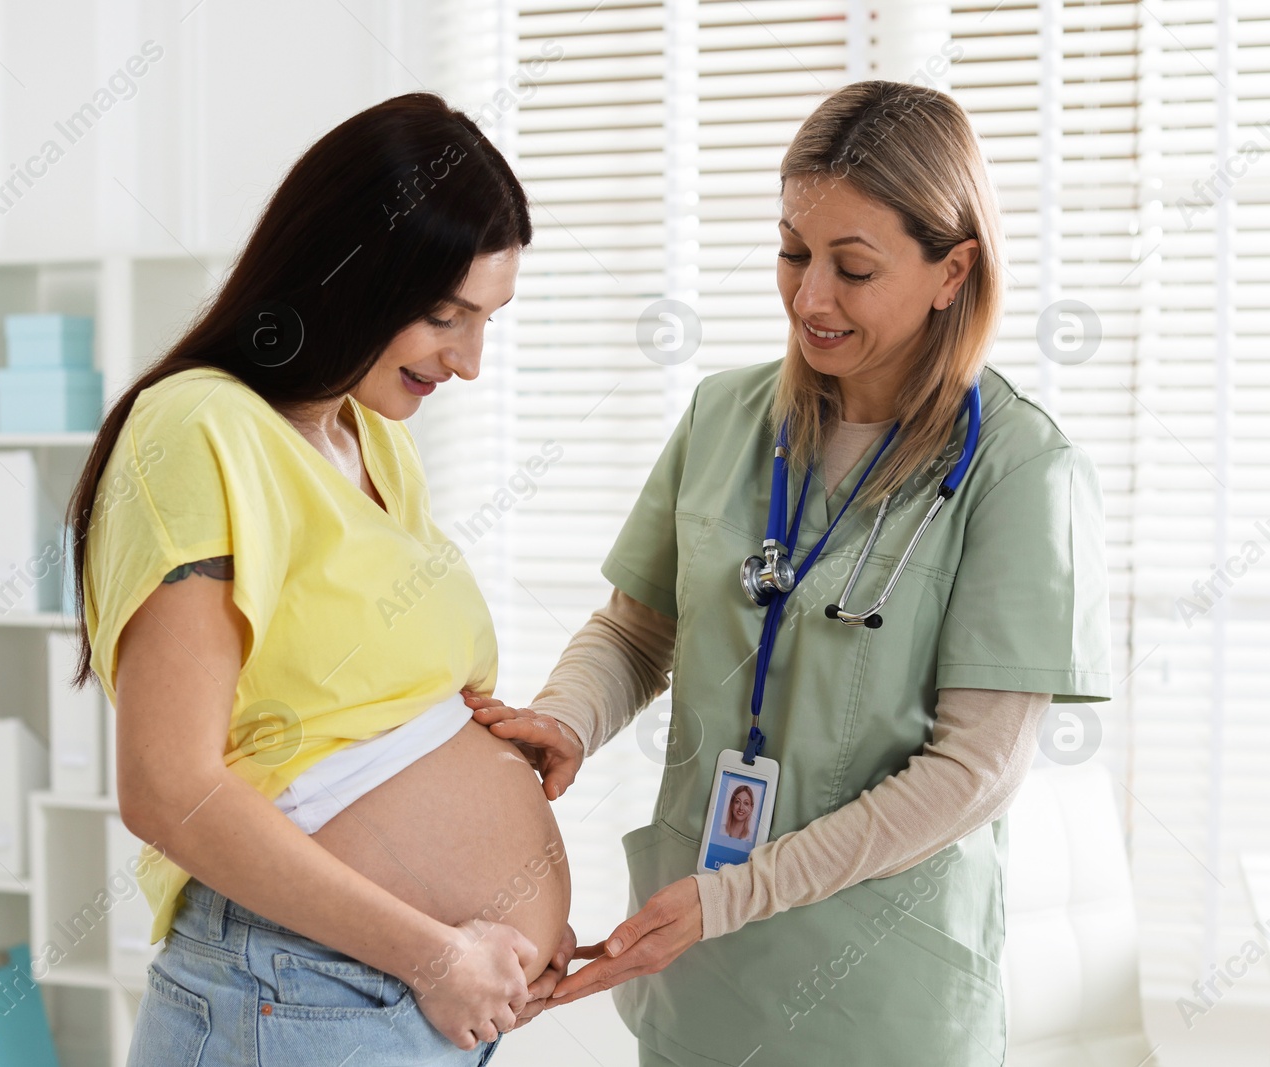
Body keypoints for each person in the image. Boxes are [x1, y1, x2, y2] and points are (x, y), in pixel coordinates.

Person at [469, 80, 1112, 1065]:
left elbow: (973, 770)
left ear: (953, 270)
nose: (810, 297)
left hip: (885, 986)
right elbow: (639, 627)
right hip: (700, 967)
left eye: (853, 268)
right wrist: (567, 716)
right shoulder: (723, 418)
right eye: (792, 252)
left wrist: (733, 893)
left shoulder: (1021, 470)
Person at [64, 92, 574, 1066]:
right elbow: (167, 788)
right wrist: (435, 950)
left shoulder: (370, 433)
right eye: (442, 316)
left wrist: (488, 741)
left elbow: (357, 690)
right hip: (296, 987)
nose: (468, 361)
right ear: (349, 273)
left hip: (399, 996)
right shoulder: (198, 429)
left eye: (486, 321)